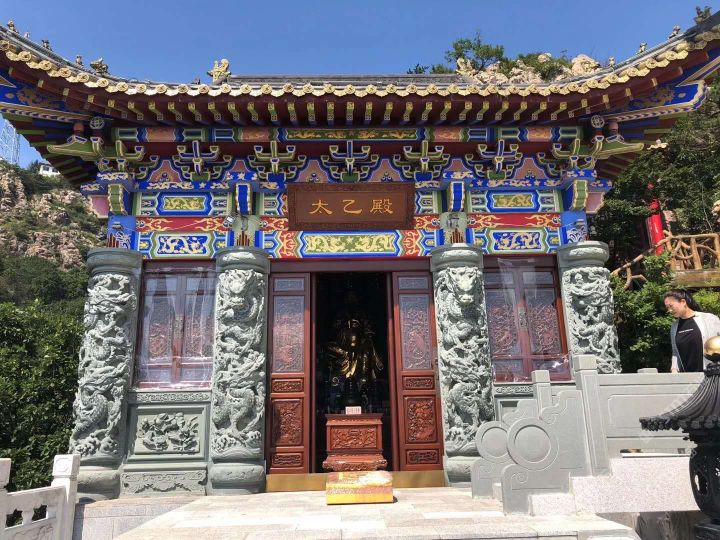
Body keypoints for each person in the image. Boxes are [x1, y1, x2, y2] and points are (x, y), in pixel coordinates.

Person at [664, 289, 720, 373]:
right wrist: (674, 370)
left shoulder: (709, 318)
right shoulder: (674, 327)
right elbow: (675, 352)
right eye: (667, 308)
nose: (670, 310)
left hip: (712, 375)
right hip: (687, 377)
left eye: (671, 306)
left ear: (683, 302)